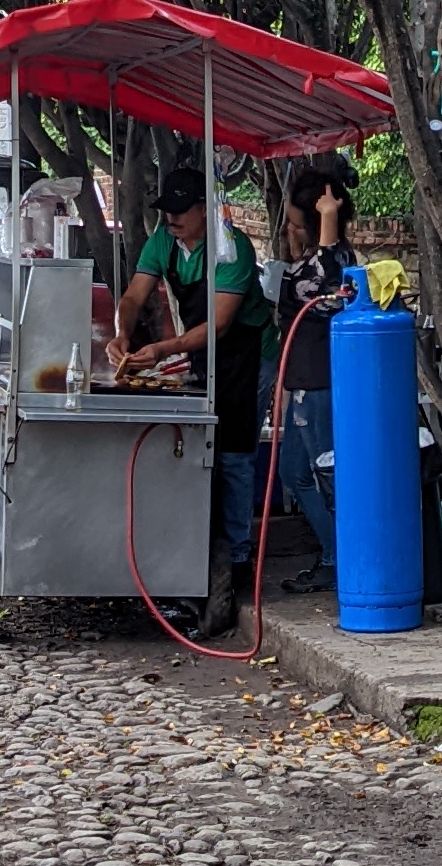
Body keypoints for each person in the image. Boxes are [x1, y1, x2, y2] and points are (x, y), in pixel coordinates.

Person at [120, 160, 262, 632]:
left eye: (182, 211)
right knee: (201, 444)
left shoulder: (232, 249)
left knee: (237, 451)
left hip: (247, 354)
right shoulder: (164, 242)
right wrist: (123, 333)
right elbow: (135, 295)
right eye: (169, 211)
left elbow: (220, 325)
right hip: (203, 354)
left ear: (207, 209)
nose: (173, 219)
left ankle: (237, 552)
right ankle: (198, 543)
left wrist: (160, 349)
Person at [272, 156, 361, 595]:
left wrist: (326, 223)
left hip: (318, 384)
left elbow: (329, 293)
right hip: (301, 381)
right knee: (295, 472)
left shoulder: (332, 261)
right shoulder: (313, 258)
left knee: (323, 472)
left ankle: (341, 556)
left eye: (296, 225)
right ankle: (333, 550)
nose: (290, 232)